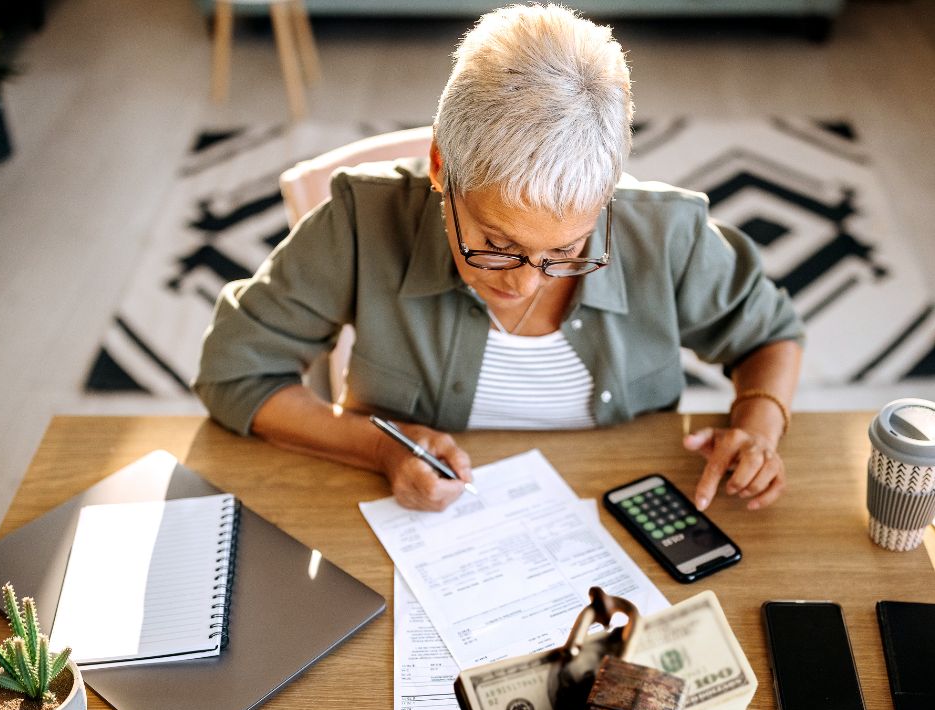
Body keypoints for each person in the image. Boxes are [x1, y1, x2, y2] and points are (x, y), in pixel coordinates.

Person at [195, 4, 804, 513]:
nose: (526, 282)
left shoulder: (667, 232)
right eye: (495, 245)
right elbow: (234, 373)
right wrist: (380, 448)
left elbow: (769, 334)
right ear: (440, 167)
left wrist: (758, 427)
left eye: (566, 250)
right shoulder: (362, 221)